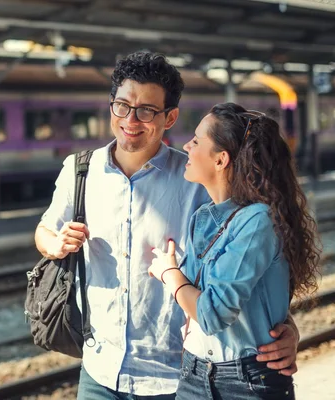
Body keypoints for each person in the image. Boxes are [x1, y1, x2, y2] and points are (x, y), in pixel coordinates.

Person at [34, 52, 300, 400]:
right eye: (122, 106)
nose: (131, 119)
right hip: (100, 368)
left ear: (170, 117)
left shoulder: (197, 179)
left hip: (177, 376)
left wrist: (285, 326)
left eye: (146, 110)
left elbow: (250, 259)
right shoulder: (79, 170)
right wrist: (54, 245)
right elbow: (44, 231)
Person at [148, 103, 321, 399]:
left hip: (246, 382)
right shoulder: (202, 216)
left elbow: (212, 313)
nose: (187, 145)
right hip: (193, 372)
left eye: (197, 140)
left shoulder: (258, 222)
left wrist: (170, 275)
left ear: (221, 160)